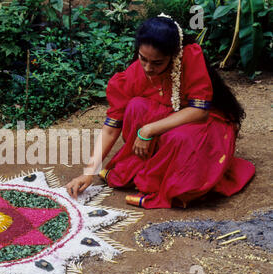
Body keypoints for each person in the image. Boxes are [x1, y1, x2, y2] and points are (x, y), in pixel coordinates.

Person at [65, 14, 255, 209]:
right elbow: (111, 128)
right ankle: (150, 170)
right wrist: (89, 172)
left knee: (178, 138)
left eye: (157, 63)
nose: (148, 68)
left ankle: (165, 185)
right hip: (170, 120)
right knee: (135, 107)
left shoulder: (190, 56)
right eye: (143, 59)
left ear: (173, 55)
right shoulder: (132, 75)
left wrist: (148, 130)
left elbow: (200, 111)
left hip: (204, 125)